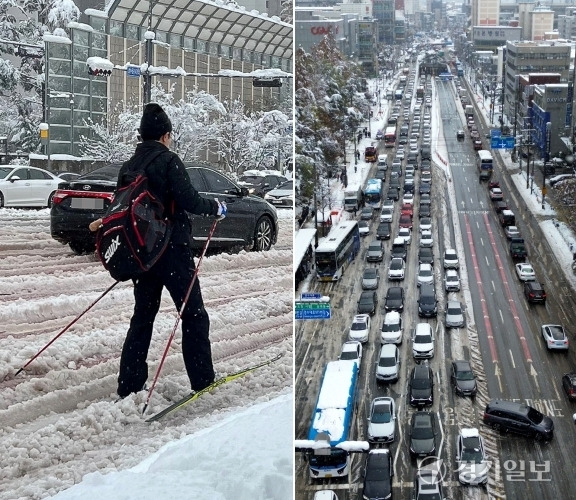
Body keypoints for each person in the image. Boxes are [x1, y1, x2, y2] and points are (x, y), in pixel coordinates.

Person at [114, 103, 227, 399]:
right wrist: (215, 208)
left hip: (143, 254)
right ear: (165, 135)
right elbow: (189, 200)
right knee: (194, 315)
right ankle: (202, 381)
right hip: (173, 252)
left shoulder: (129, 166)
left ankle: (129, 384)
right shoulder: (169, 161)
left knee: (142, 317)